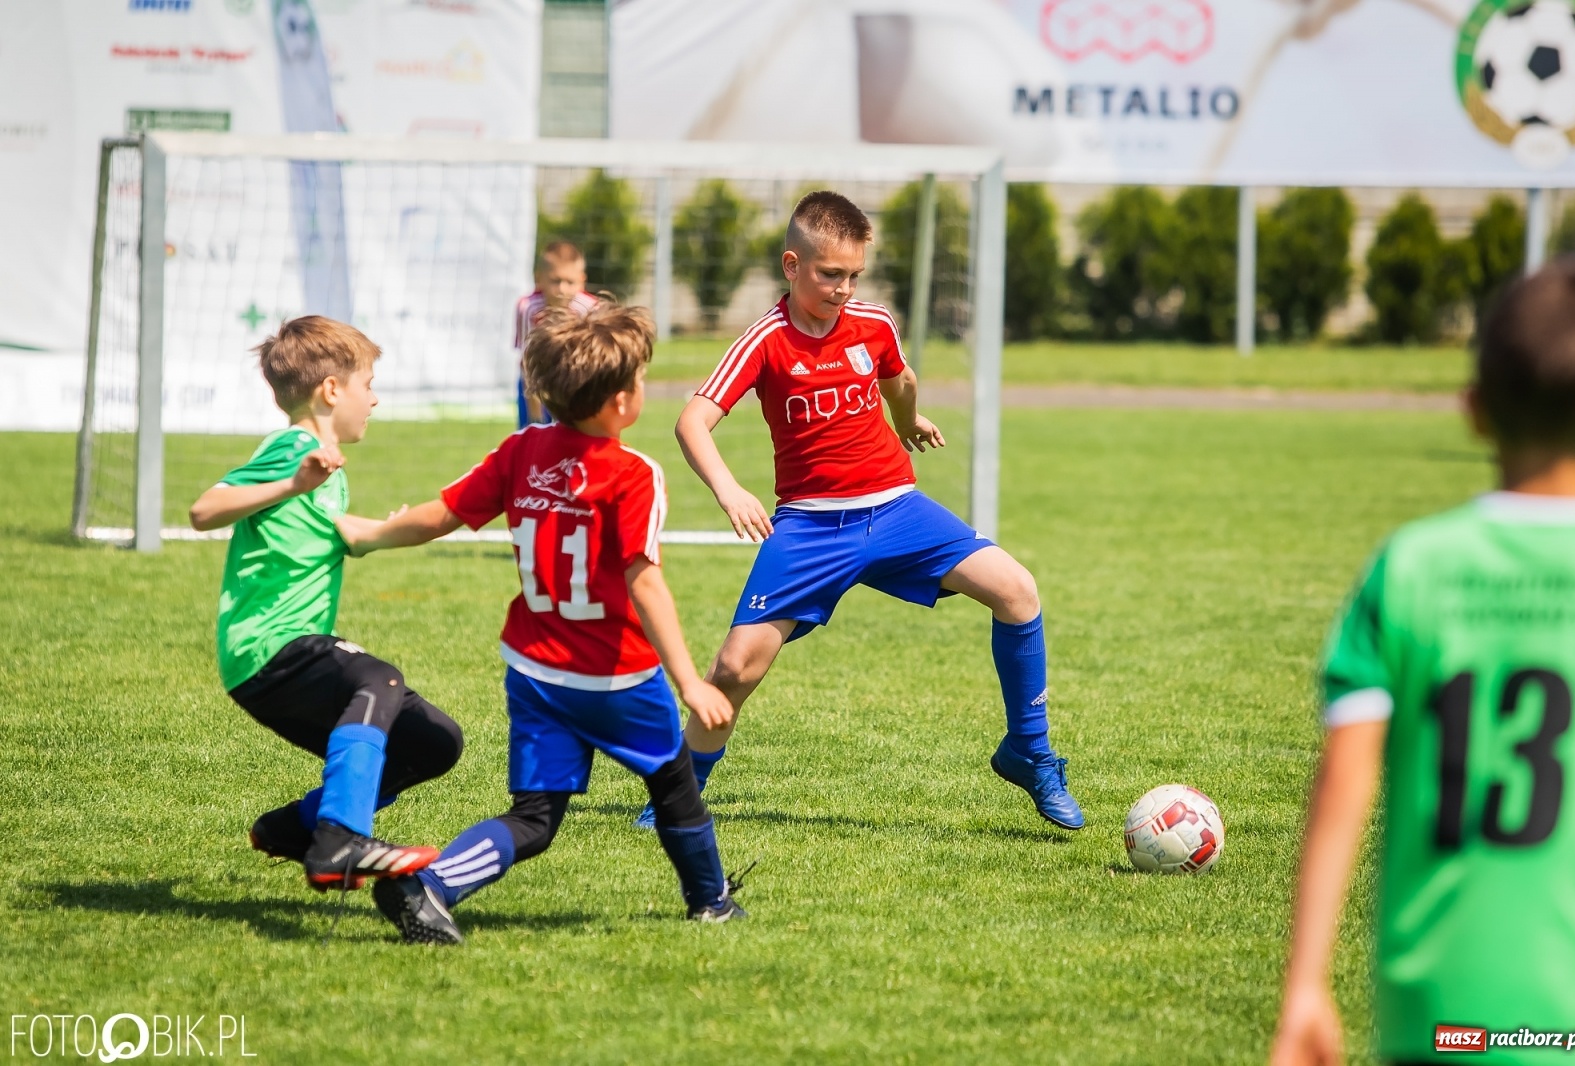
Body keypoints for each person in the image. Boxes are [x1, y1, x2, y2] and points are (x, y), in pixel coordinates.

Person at [634, 190, 1083, 832]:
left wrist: (907, 421)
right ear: (792, 266)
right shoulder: (765, 338)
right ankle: (679, 795)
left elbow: (899, 378)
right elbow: (692, 421)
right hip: (811, 526)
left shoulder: (873, 324)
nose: (843, 289)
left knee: (1017, 590)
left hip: (897, 509)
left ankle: (1030, 754)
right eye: (828, 275)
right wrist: (730, 490)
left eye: (852, 275)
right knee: (734, 667)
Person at [1271, 258, 1575, 1066]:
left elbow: (1346, 780)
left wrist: (1307, 982)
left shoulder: (1411, 566)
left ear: (1476, 413)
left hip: (1442, 1013)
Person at [341, 303, 747, 944]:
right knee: (675, 786)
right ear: (619, 403)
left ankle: (434, 883)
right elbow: (645, 581)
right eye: (639, 380)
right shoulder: (633, 473)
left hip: (534, 671)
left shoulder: (522, 451)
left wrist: (372, 534)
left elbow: (441, 514)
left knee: (535, 816)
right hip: (615, 679)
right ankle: (712, 902)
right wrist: (691, 682)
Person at [188, 316, 462, 892]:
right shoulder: (296, 448)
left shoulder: (324, 466)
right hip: (268, 645)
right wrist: (292, 482)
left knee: (433, 742)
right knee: (379, 680)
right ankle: (340, 838)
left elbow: (355, 535)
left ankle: (293, 828)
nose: (375, 398)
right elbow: (204, 510)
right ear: (332, 390)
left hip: (276, 660)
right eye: (368, 383)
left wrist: (449, 514)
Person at [514, 239, 600, 427]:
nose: (562, 289)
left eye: (570, 282)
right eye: (555, 280)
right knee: (532, 438)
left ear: (581, 281)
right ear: (539, 279)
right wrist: (535, 417)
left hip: (577, 382)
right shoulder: (527, 308)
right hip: (536, 382)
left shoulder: (590, 309)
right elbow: (528, 362)